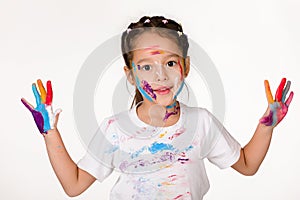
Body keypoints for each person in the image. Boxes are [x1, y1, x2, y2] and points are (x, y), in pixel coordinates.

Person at [21, 16, 294, 200]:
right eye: (147, 67)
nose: (160, 76)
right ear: (130, 75)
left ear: (185, 67)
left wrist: (266, 125)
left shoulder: (201, 123)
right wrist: (50, 132)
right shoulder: (115, 130)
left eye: (171, 63)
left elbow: (247, 165)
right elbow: (74, 185)